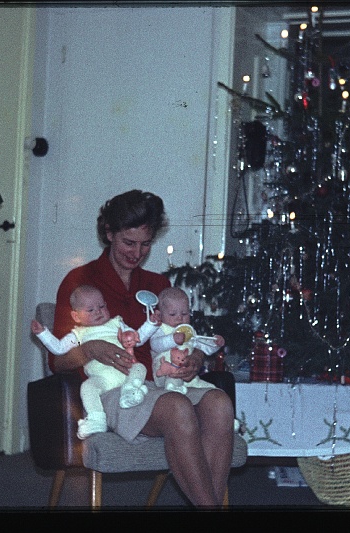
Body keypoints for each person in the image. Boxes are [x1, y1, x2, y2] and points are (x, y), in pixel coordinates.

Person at [50, 189, 234, 508]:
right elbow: (58, 361)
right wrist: (91, 348)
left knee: (219, 402)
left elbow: (182, 335)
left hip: (161, 384)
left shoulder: (157, 285)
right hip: (115, 391)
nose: (137, 253)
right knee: (176, 406)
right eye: (129, 243)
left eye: (145, 244)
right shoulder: (80, 282)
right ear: (109, 233)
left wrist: (195, 356)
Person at [31, 284, 160, 438]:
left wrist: (151, 324)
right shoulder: (78, 334)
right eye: (90, 310)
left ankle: (131, 390)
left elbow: (137, 338)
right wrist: (43, 333)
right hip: (103, 380)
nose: (98, 311)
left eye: (101, 306)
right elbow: (58, 348)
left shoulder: (116, 323)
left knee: (139, 368)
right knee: (87, 387)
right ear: (76, 316)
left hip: (127, 372)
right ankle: (97, 419)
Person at [150, 286, 225, 395]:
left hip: (188, 377)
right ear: (159, 315)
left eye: (184, 314)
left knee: (214, 391)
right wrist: (173, 339)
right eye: (172, 314)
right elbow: (155, 345)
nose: (179, 318)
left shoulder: (188, 331)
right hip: (165, 372)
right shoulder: (161, 328)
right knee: (173, 379)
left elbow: (202, 345)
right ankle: (173, 387)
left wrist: (215, 343)